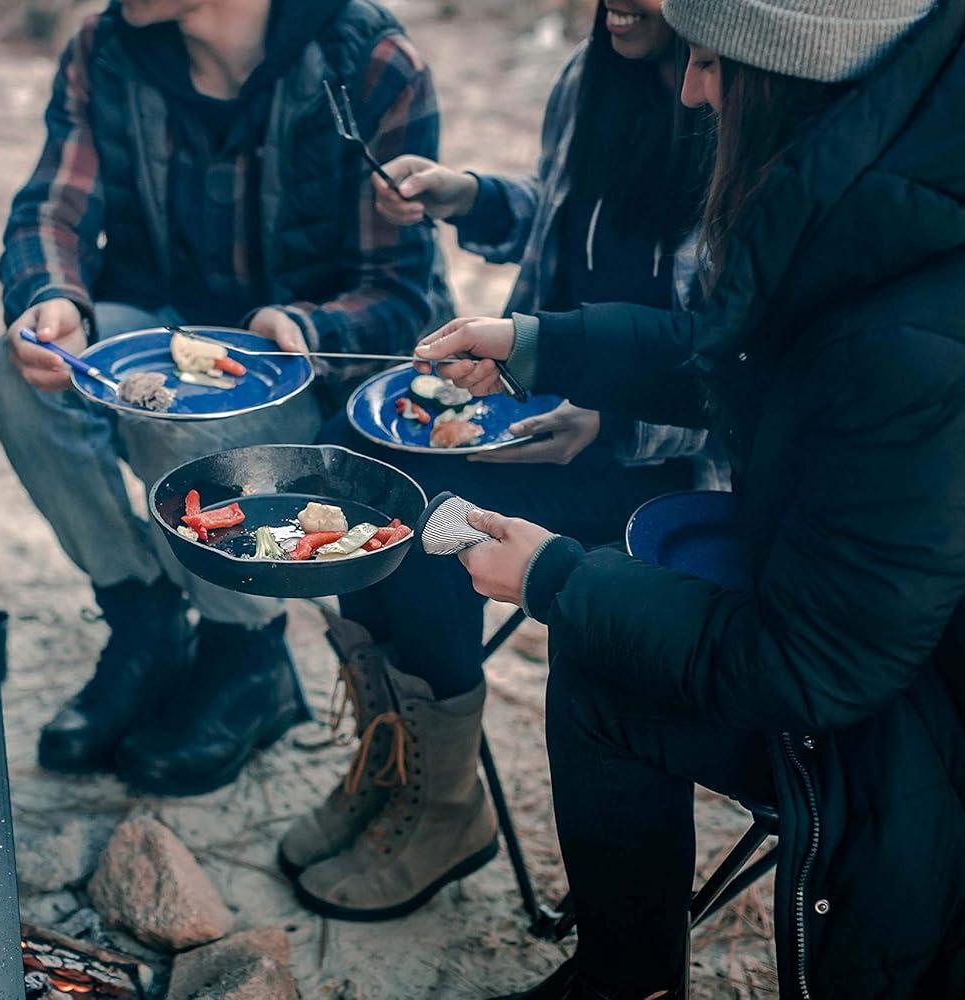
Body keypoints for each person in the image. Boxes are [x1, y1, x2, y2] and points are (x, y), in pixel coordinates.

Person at [419, 0, 965, 995]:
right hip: (907, 611)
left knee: (602, 648)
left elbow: (815, 663)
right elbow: (764, 359)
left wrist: (553, 573)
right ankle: (628, 968)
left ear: (797, 74)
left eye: (714, 61)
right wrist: (541, 347)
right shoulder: (904, 172)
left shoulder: (933, 328)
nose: (690, 88)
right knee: (608, 640)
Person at [279, 0, 713, 921]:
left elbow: (736, 365)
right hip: (546, 397)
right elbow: (563, 219)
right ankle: (391, 760)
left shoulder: (733, 107)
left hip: (663, 458)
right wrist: (469, 195)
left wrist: (617, 422)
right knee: (367, 460)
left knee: (436, 508)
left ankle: (446, 809)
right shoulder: (585, 79)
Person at [0, 0, 450, 795]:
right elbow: (51, 208)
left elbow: (400, 291)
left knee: (187, 421)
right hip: (153, 322)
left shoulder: (370, 64)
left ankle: (246, 656)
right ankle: (144, 620)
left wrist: (302, 323)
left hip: (305, 370)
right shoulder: (106, 47)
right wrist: (52, 296)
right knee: (9, 374)